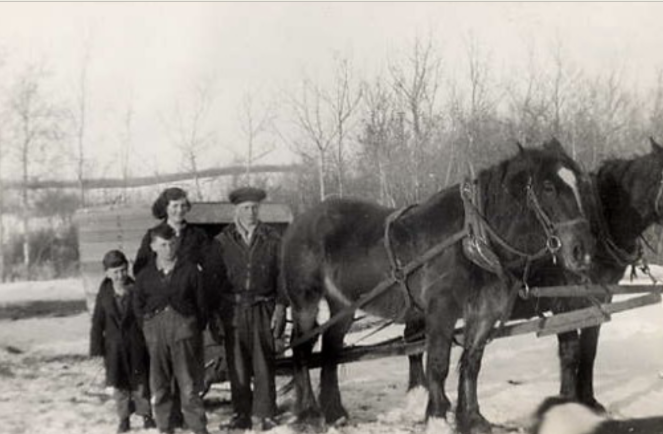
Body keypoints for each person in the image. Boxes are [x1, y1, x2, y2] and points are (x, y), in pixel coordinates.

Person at [133, 187, 217, 429]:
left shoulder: (197, 236)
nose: (179, 210)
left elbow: (210, 271)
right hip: (158, 316)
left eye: (182, 205)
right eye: (174, 206)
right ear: (165, 208)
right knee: (161, 380)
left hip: (185, 315)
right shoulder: (152, 236)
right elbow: (140, 275)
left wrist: (195, 317)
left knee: (189, 380)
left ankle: (194, 424)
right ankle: (167, 423)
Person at [213, 186, 287, 431]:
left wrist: (280, 307)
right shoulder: (223, 241)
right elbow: (214, 279)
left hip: (263, 307)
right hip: (233, 310)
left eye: (255, 208)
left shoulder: (273, 239)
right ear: (237, 210)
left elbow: (282, 276)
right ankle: (241, 413)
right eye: (245, 208)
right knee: (238, 364)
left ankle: (265, 414)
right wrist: (217, 312)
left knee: (263, 363)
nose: (251, 212)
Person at [90, 250, 156, 433]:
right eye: (115, 272)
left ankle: (146, 415)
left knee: (140, 383)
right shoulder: (104, 294)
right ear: (107, 273)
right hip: (114, 348)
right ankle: (124, 418)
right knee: (119, 385)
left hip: (136, 345)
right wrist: (96, 348)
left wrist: (149, 342)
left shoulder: (136, 290)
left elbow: (144, 318)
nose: (120, 276)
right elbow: (97, 321)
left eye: (123, 270)